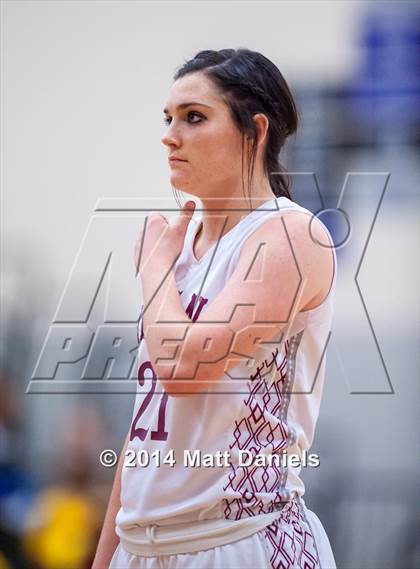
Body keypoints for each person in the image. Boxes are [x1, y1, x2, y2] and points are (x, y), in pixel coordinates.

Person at [92, 48, 337, 569]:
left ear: (255, 131)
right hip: (141, 547)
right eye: (169, 118)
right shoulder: (177, 246)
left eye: (194, 118)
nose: (170, 135)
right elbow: (148, 419)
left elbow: (184, 369)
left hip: (240, 540)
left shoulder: (292, 235)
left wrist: (154, 266)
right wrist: (108, 552)